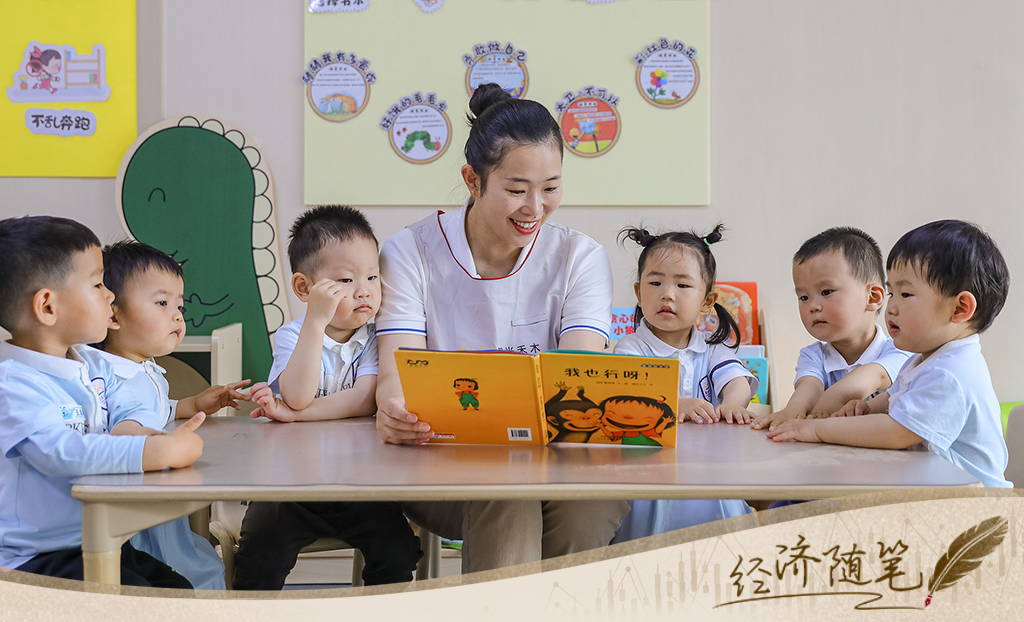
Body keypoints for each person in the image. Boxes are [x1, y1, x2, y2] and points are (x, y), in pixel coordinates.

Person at [374, 83, 630, 573]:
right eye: (516, 190)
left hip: (556, 461)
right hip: (439, 464)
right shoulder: (410, 252)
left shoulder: (579, 257)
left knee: (593, 502)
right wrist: (394, 410)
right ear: (472, 180)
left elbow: (577, 375)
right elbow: (396, 374)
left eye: (551, 188)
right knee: (510, 493)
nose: (535, 207)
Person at [0, 216, 206, 588]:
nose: (110, 296)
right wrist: (151, 452)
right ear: (47, 307)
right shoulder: (13, 384)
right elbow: (61, 453)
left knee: (178, 591)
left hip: (94, 536)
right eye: (97, 284)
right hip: (34, 557)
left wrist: (135, 429)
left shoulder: (91, 364)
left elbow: (131, 406)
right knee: (147, 604)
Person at [234, 205, 422, 590]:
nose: (364, 290)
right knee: (259, 557)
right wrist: (316, 321)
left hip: (361, 488)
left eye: (372, 276)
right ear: (305, 289)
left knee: (398, 553)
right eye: (345, 280)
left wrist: (293, 415)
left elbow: (365, 399)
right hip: (290, 489)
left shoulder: (375, 338)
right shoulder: (293, 335)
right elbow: (297, 395)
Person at [768, 220, 1012, 489]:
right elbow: (894, 396)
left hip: (972, 505)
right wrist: (866, 408)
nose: (891, 307)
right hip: (936, 494)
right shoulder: (926, 359)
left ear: (959, 309)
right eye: (892, 292)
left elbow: (897, 432)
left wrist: (816, 429)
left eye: (905, 294)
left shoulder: (949, 373)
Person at [92, 240, 253, 590]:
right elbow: (127, 430)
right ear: (113, 315)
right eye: (162, 303)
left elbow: (159, 410)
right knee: (192, 576)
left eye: (179, 305)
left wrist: (195, 404)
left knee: (199, 562)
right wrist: (167, 445)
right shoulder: (112, 375)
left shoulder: (141, 366)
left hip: (159, 496)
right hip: (140, 511)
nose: (178, 315)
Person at [610, 225, 758, 543]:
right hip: (649, 475)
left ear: (707, 300)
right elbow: (629, 395)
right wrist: (675, 405)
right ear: (639, 293)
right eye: (655, 283)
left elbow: (738, 380)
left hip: (707, 472)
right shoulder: (632, 348)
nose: (667, 293)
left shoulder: (714, 350)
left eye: (682, 284)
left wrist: (732, 404)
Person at [752, 227, 911, 431]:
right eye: (803, 297)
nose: (812, 306)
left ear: (872, 297)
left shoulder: (901, 350)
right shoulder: (813, 355)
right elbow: (809, 386)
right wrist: (793, 410)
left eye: (826, 292)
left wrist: (830, 402)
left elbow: (873, 376)